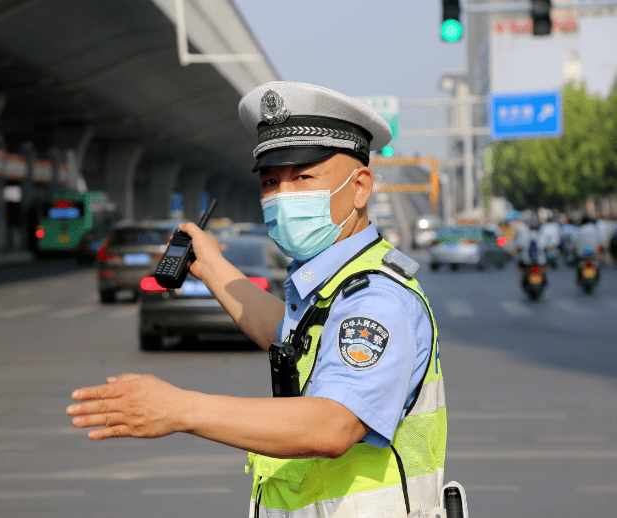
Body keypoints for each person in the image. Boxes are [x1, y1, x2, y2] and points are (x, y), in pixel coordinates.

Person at [66, 82, 446, 517]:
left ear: (360, 187)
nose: (283, 196)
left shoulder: (375, 297)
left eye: (303, 177)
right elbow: (289, 335)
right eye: (270, 181)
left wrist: (179, 409)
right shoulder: (336, 282)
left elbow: (333, 425)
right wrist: (210, 266)